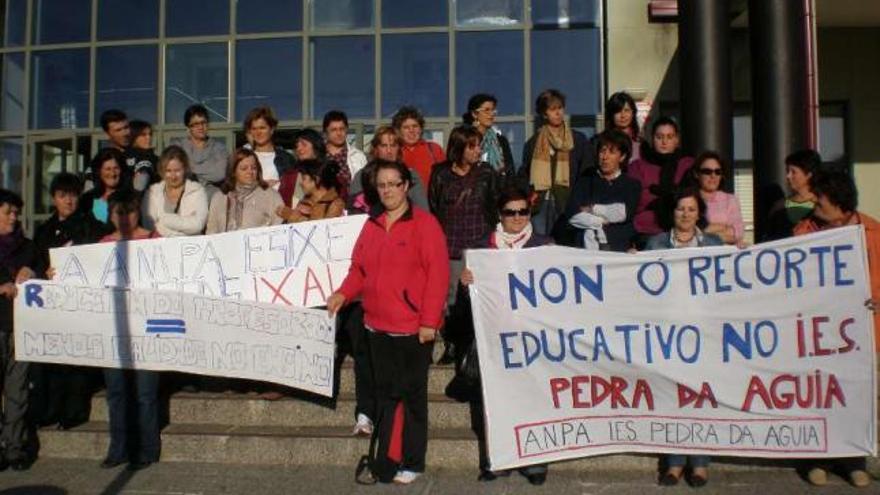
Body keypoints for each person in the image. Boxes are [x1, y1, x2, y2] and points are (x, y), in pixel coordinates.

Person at [327, 160, 449, 485]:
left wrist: (429, 321)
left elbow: (438, 277)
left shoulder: (425, 225)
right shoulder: (371, 224)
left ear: (406, 186)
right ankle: (387, 458)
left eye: (394, 184)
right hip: (376, 326)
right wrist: (342, 293)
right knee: (385, 395)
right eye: (382, 185)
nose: (388, 191)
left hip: (412, 328)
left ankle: (413, 460)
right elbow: (359, 270)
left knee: (411, 397)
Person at [454, 187, 552, 485]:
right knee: (495, 401)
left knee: (533, 398)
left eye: (523, 211)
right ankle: (499, 459)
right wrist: (464, 284)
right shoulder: (482, 248)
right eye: (511, 212)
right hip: (494, 338)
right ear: (500, 214)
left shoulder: (545, 245)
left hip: (532, 337)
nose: (518, 218)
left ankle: (535, 460)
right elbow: (466, 304)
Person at [793, 169, 876, 488]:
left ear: (839, 203)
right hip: (816, 334)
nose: (813, 201)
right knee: (817, 395)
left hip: (860, 335)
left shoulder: (871, 232)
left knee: (852, 396)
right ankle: (817, 459)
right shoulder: (804, 231)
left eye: (820, 198)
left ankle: (854, 461)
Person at [645, 188, 722, 487]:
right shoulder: (656, 244)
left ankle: (700, 463)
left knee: (700, 397)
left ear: (699, 213)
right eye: (680, 209)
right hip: (668, 332)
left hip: (704, 332)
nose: (686, 215)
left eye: (691, 209)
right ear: (672, 212)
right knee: (672, 396)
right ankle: (675, 462)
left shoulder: (714, 245)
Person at [30, 173, 110, 430]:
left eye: (73, 195)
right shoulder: (43, 230)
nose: (69, 200)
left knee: (76, 361)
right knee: (53, 360)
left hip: (81, 303)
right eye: (63, 195)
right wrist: (44, 272)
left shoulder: (90, 224)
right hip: (52, 303)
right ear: (54, 198)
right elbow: (35, 262)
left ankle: (73, 412)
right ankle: (50, 409)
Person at [99, 189, 161, 471]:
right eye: (119, 212)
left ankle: (147, 449)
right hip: (113, 329)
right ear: (111, 216)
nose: (125, 217)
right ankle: (118, 449)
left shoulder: (153, 239)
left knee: (146, 393)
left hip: (146, 329)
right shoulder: (101, 245)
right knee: (116, 391)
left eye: (131, 211)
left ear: (139, 212)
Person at [428, 125, 499, 310]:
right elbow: (434, 208)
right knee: (452, 297)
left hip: (481, 246)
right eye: (472, 146)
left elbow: (494, 204)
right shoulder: (440, 173)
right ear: (459, 148)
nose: (478, 150)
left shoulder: (486, 172)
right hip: (452, 248)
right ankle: (452, 337)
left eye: (479, 146)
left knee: (482, 297)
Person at [520, 89, 593, 238]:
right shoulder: (533, 143)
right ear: (544, 114)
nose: (558, 113)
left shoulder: (578, 139)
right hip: (540, 204)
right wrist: (529, 194)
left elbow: (586, 173)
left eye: (560, 108)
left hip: (567, 203)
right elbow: (523, 174)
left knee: (566, 246)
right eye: (553, 109)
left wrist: (579, 200)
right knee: (541, 247)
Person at [0, 189, 35, 471]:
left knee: (17, 389)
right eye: (7, 212)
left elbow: (42, 268)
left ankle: (15, 447)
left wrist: (32, 272)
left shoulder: (27, 246)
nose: (13, 217)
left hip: (20, 326)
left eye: (15, 212)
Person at [564, 129, 640, 252]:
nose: (605, 157)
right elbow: (572, 214)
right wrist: (600, 221)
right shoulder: (586, 180)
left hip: (618, 250)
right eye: (602, 151)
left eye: (612, 152)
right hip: (585, 250)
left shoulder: (631, 185)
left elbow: (623, 213)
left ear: (622, 156)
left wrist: (592, 209)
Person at [628, 117, 694, 246]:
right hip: (646, 231)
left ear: (677, 140)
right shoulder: (637, 166)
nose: (664, 142)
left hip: (682, 231)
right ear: (652, 139)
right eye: (659, 137)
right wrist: (673, 194)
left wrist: (655, 192)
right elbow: (638, 200)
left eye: (669, 137)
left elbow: (690, 197)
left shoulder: (688, 164)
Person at [349, 126, 428, 212]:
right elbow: (353, 210)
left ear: (399, 148)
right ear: (376, 149)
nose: (389, 150)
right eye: (384, 146)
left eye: (393, 146)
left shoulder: (410, 175)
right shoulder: (362, 176)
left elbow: (423, 210)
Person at [206, 147, 283, 235]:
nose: (250, 172)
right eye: (244, 168)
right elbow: (211, 231)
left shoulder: (270, 196)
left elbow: (279, 229)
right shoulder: (219, 197)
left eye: (254, 168)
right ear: (233, 172)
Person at [142, 145, 209, 237]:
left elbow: (198, 225)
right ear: (162, 170)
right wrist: (185, 224)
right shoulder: (152, 192)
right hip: (160, 247)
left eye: (177, 170)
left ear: (185, 169)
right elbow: (149, 226)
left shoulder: (197, 190)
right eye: (168, 171)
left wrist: (164, 219)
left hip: (190, 247)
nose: (173, 176)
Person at [170, 104, 229, 195]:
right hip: (185, 198)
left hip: (211, 199)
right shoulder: (178, 147)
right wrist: (207, 174)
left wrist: (191, 170)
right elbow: (174, 172)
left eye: (203, 122)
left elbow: (220, 174)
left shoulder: (219, 148)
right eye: (196, 124)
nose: (201, 127)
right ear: (188, 128)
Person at [763, 149, 820, 241]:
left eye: (793, 172)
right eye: (787, 171)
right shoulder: (779, 206)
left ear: (809, 174)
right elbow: (768, 239)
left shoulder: (822, 206)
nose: (788, 176)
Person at [690, 151, 745, 246]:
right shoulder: (688, 199)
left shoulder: (730, 200)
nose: (713, 176)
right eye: (707, 172)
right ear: (696, 174)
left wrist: (706, 233)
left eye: (718, 172)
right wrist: (724, 228)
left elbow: (738, 232)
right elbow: (687, 233)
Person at [243, 106, 295, 194]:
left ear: (272, 129)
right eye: (254, 129)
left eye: (262, 128)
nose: (258, 132)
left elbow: (293, 189)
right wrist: (262, 185)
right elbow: (234, 186)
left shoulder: (286, 158)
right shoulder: (243, 157)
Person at [462, 94, 515, 181]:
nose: (491, 114)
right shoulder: (465, 138)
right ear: (475, 114)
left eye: (493, 110)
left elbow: (510, 172)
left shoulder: (501, 141)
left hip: (498, 191)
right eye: (486, 110)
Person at [393, 106, 445, 188]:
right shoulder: (394, 151)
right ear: (399, 131)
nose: (411, 131)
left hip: (431, 200)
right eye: (406, 127)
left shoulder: (434, 149)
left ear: (421, 129)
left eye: (415, 126)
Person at [277, 159, 345, 223]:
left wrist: (292, 216)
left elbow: (325, 230)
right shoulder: (305, 202)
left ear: (317, 179)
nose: (301, 183)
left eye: (304, 178)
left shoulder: (335, 204)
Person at [323, 110, 368, 194]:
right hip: (321, 205)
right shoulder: (318, 155)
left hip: (350, 205)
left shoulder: (359, 156)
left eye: (342, 129)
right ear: (326, 132)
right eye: (334, 130)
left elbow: (365, 186)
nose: (339, 133)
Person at [79, 148, 126, 223]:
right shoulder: (87, 199)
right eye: (108, 169)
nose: (112, 173)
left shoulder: (129, 198)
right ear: (99, 172)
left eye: (116, 168)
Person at [99, 109, 139, 187]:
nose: (125, 133)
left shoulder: (142, 155)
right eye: (118, 130)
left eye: (126, 127)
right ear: (108, 134)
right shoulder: (101, 158)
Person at [604, 91, 641, 163]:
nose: (623, 116)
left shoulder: (641, 143)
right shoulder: (603, 141)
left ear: (633, 113)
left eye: (627, 110)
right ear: (611, 115)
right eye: (618, 111)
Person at [129, 120, 160, 191]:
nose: (148, 138)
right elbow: (139, 185)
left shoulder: (155, 158)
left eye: (150, 134)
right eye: (143, 135)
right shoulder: (124, 157)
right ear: (134, 136)